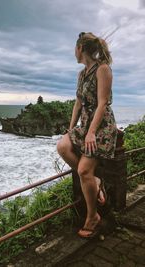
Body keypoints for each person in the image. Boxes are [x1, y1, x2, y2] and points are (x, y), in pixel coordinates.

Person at [57, 32, 118, 239]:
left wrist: (91, 132)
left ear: (80, 48)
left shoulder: (103, 69)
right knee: (62, 146)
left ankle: (93, 217)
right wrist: (71, 128)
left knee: (83, 170)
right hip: (85, 124)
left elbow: (102, 103)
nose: (73, 52)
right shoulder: (82, 74)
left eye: (74, 48)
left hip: (101, 126)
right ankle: (96, 181)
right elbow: (78, 102)